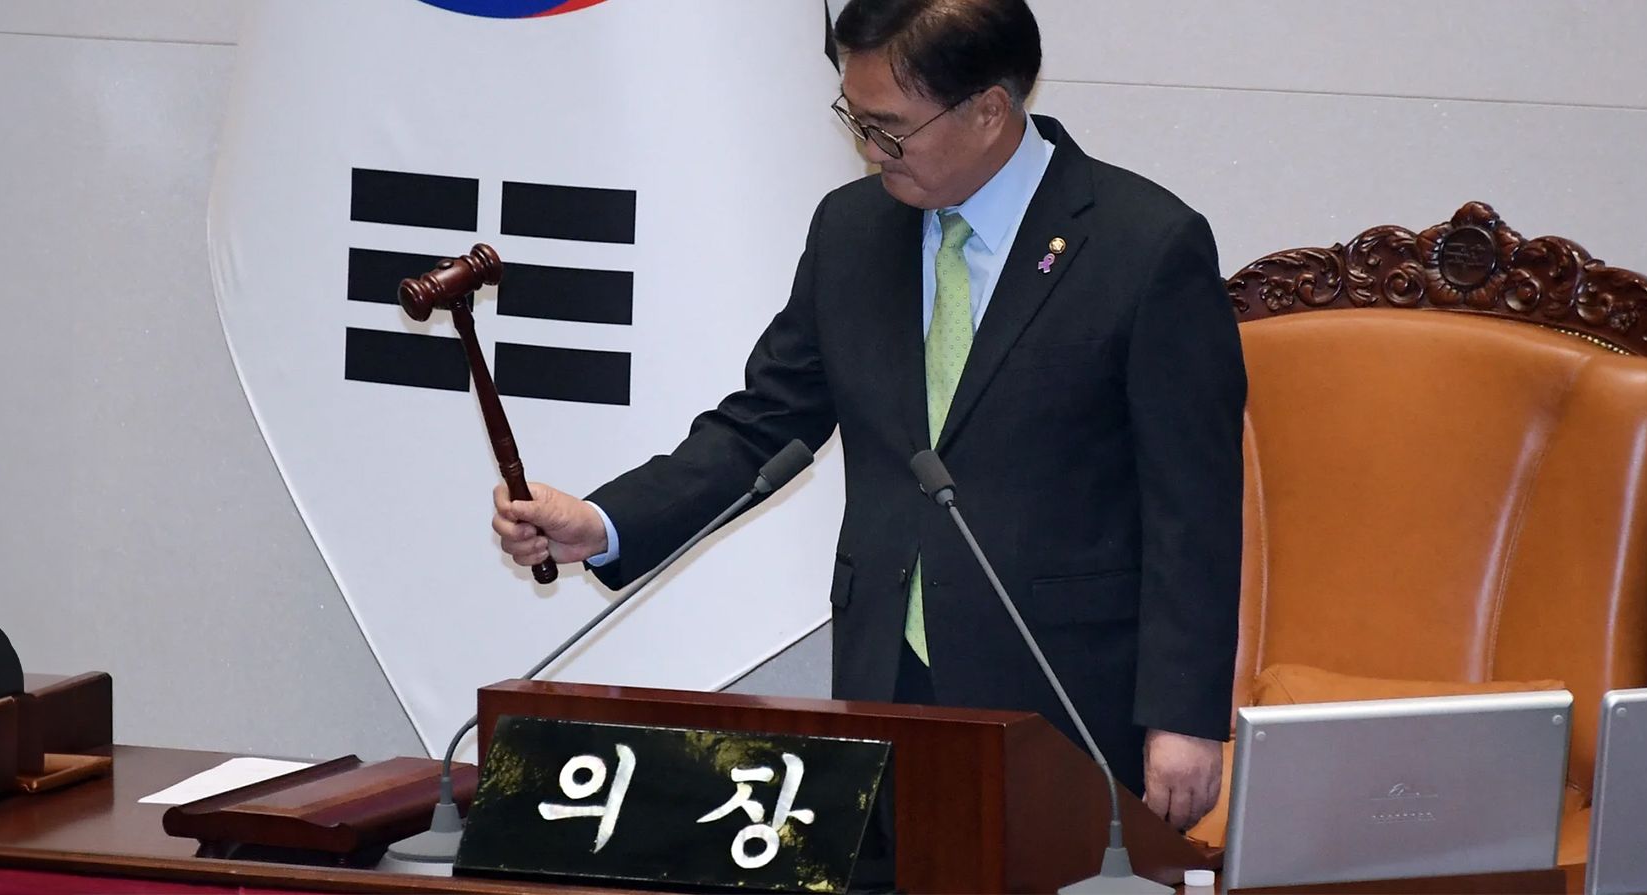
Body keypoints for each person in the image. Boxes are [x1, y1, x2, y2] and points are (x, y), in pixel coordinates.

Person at [491, 0, 1244, 831]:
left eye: (890, 128)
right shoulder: (851, 230)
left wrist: (1183, 715)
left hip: (1065, 691)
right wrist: (606, 521)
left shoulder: (1145, 245)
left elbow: (1193, 507)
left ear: (990, 110)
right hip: (884, 675)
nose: (868, 148)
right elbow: (763, 423)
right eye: (855, 118)